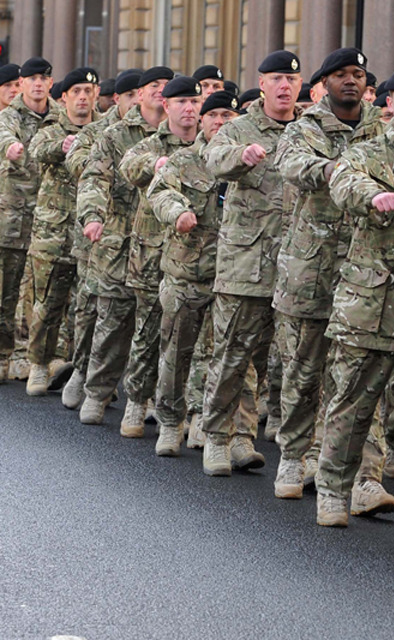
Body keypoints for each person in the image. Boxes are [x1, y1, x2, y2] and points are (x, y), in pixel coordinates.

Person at [316, 63, 394, 528]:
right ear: (388, 104)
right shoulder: (366, 153)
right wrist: (373, 196)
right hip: (370, 300)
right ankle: (336, 488)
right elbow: (345, 183)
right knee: (353, 399)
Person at [272, 47, 382, 498]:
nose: (350, 81)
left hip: (366, 273)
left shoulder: (383, 130)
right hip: (312, 269)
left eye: (357, 74)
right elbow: (292, 166)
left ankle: (347, 466)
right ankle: (292, 457)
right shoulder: (304, 129)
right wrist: (335, 168)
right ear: (324, 83)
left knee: (356, 375)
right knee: (303, 370)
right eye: (340, 75)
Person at [200, 50, 303, 476]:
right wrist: (239, 157)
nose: (284, 86)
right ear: (261, 83)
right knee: (233, 356)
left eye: (291, 80)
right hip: (246, 264)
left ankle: (263, 441)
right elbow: (211, 159)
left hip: (299, 266)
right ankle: (219, 438)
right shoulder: (239, 127)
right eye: (276, 78)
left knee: (294, 362)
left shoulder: (309, 129)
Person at [75, 66, 171, 427]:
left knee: (151, 327)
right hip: (118, 240)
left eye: (166, 86)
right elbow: (94, 177)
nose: (160, 92)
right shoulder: (116, 135)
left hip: (158, 245)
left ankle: (140, 398)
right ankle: (97, 391)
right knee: (112, 322)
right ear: (140, 93)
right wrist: (92, 216)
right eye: (153, 86)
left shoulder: (178, 136)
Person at [148, 90, 242, 456]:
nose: (220, 122)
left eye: (227, 115)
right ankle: (171, 422)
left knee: (225, 356)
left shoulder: (248, 162)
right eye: (213, 115)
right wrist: (178, 213)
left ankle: (208, 421)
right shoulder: (185, 160)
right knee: (176, 353)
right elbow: (160, 192)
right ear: (202, 120)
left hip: (234, 276)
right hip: (186, 273)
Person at [116, 75, 203, 437]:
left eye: (194, 102)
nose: (189, 109)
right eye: (181, 102)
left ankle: (190, 411)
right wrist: (157, 164)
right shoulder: (150, 145)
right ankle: (137, 400)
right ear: (166, 106)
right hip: (152, 254)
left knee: (192, 341)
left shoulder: (210, 145)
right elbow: (129, 167)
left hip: (195, 258)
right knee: (149, 332)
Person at [61, 68, 141, 409]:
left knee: (133, 314)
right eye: (132, 96)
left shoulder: (153, 132)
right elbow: (78, 162)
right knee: (92, 309)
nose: (139, 102)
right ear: (118, 100)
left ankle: (118, 383)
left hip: (141, 238)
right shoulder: (101, 132)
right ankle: (82, 368)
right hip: (102, 236)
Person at [24, 67, 100, 395]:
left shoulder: (105, 129)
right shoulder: (51, 126)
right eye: (77, 91)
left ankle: (81, 370)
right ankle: (39, 364)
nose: (83, 97)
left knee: (86, 308)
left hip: (90, 234)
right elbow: (37, 150)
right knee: (47, 303)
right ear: (65, 96)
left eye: (88, 91)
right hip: (52, 233)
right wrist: (64, 145)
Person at [0, 57, 58, 383]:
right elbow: (4, 135)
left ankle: (25, 353)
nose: (37, 84)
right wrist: (11, 148)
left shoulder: (60, 118)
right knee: (6, 290)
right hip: (10, 219)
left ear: (50, 83)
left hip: (49, 222)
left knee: (35, 293)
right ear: (23, 83)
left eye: (43, 78)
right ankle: (3, 352)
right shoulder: (9, 117)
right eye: (31, 78)